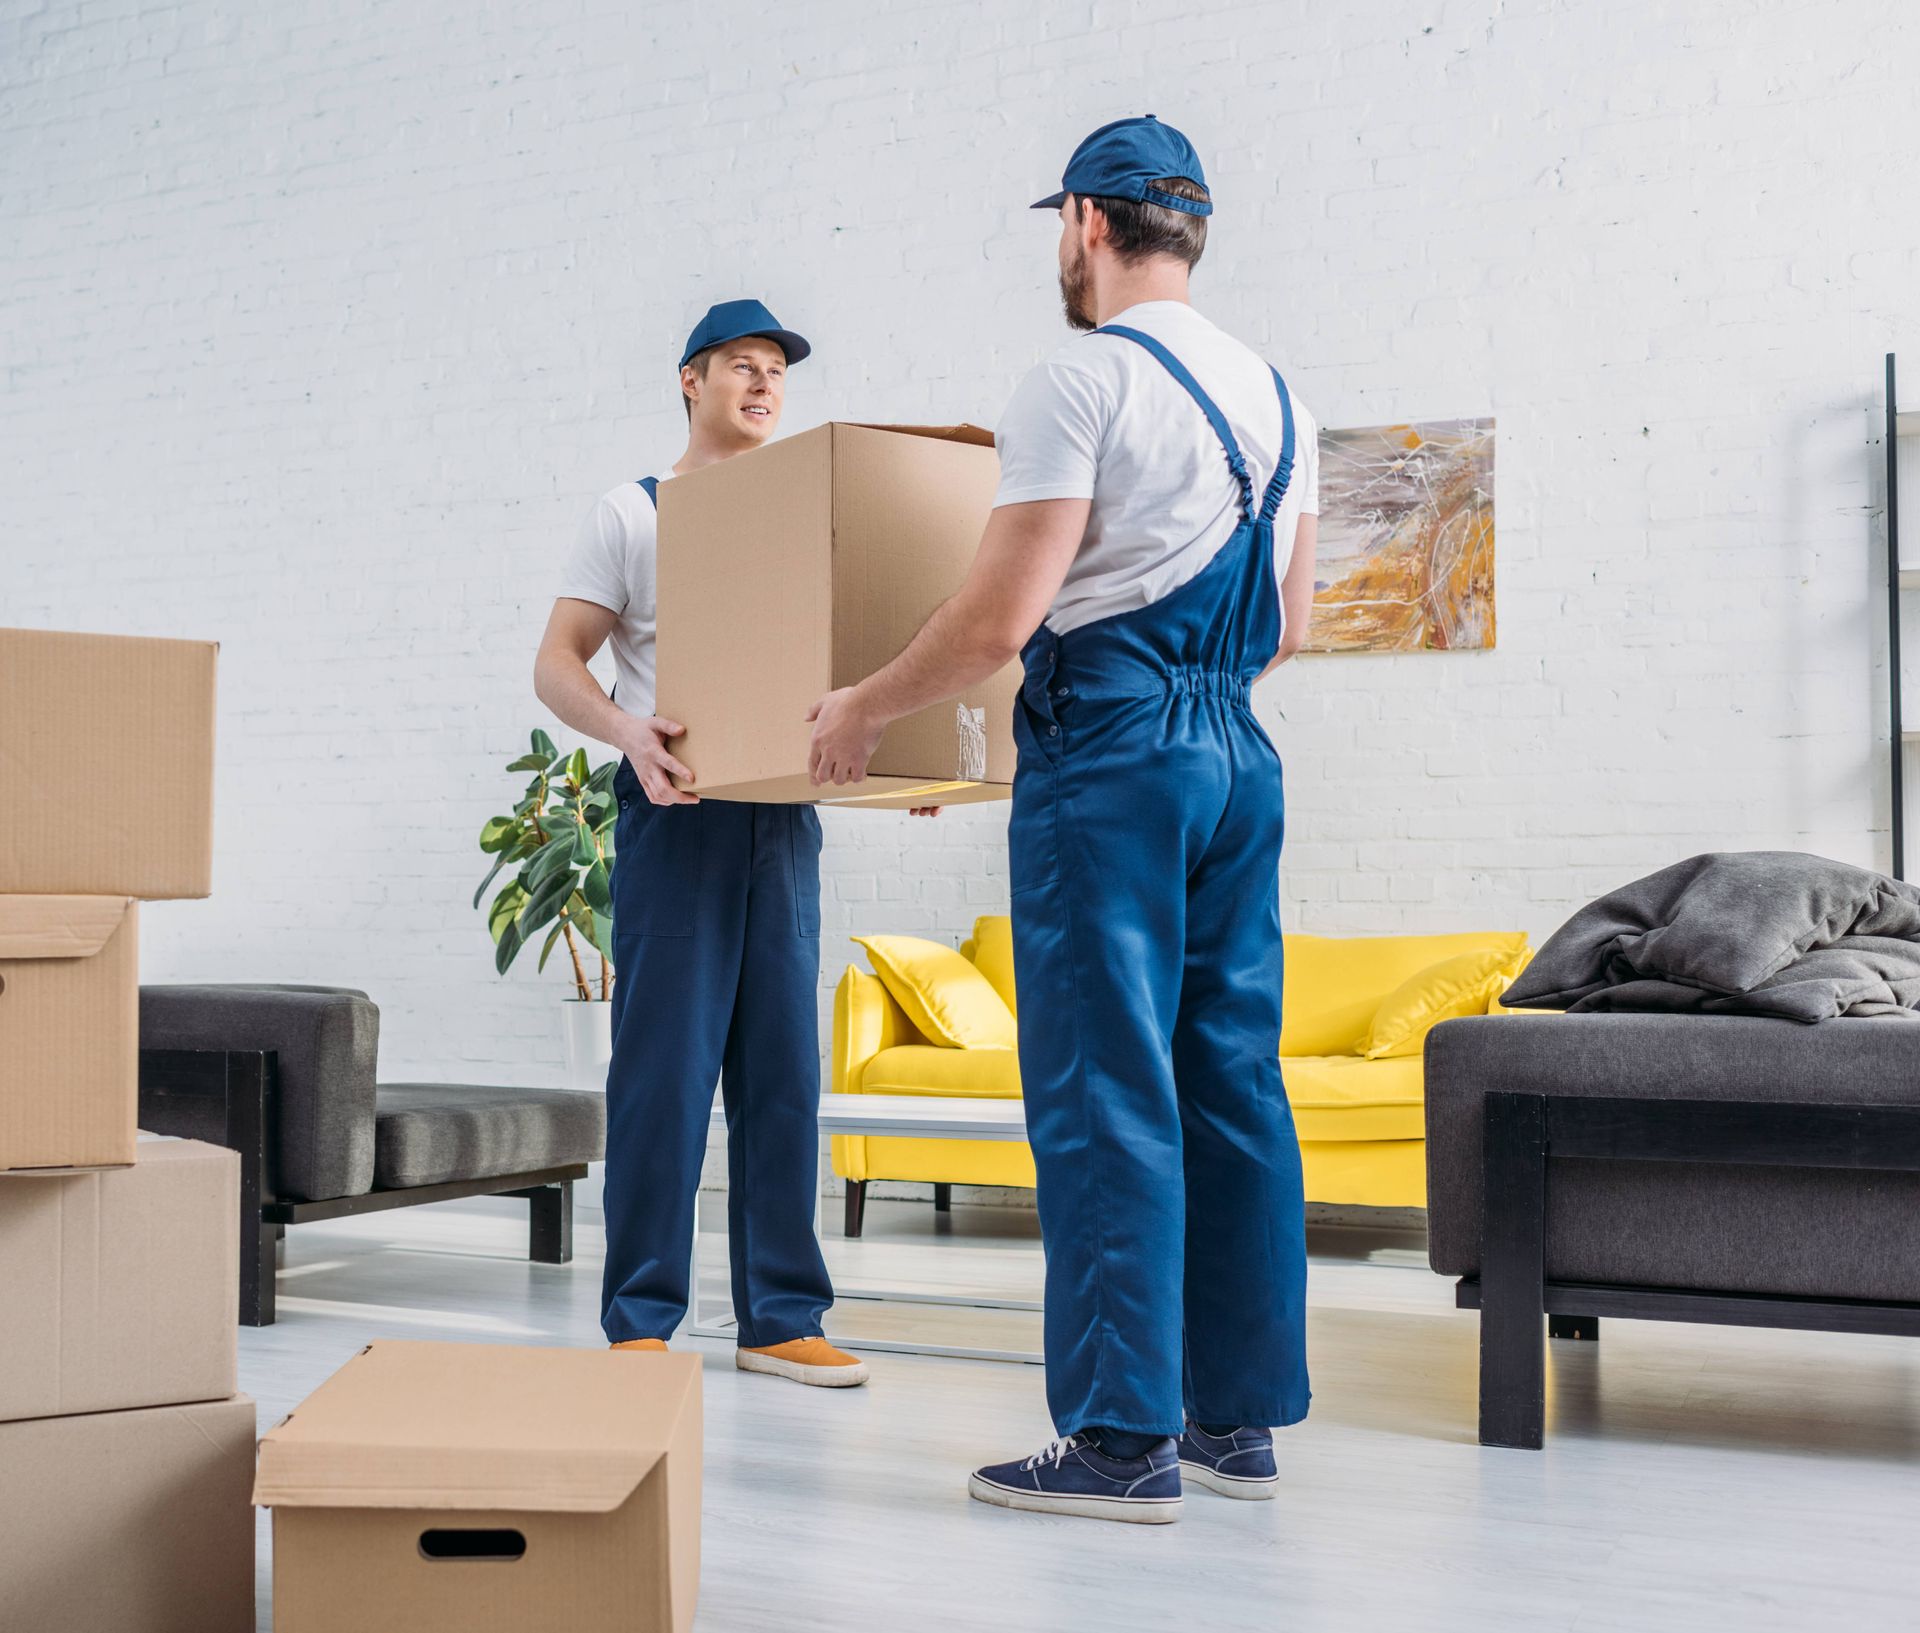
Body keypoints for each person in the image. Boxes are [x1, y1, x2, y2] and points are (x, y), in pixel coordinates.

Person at [806, 117, 1319, 1515]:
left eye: (1060, 225)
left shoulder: (1079, 377)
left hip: (1117, 755)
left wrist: (860, 708)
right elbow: (1288, 624)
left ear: (1089, 223)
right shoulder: (1281, 397)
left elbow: (997, 617)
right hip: (1236, 753)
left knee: (1103, 1085)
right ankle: (1234, 1423)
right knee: (1230, 1078)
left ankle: (1114, 1439)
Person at [536, 298, 868, 1387]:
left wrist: (903, 754)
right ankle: (640, 1318)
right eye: (741, 365)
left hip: (784, 814)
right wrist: (627, 731)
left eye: (777, 369)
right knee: (664, 1073)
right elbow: (558, 663)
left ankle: (781, 1317)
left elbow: (848, 661)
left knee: (782, 1070)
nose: (764, 384)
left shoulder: (802, 518)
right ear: (691, 380)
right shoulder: (634, 513)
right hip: (675, 812)